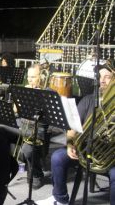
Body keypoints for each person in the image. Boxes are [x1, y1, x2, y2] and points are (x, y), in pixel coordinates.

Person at [37, 61, 115, 205]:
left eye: (108, 77)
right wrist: (69, 144)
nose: (102, 80)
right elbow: (72, 130)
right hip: (84, 149)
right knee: (57, 158)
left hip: (110, 156)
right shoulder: (88, 100)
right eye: (100, 76)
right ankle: (60, 199)